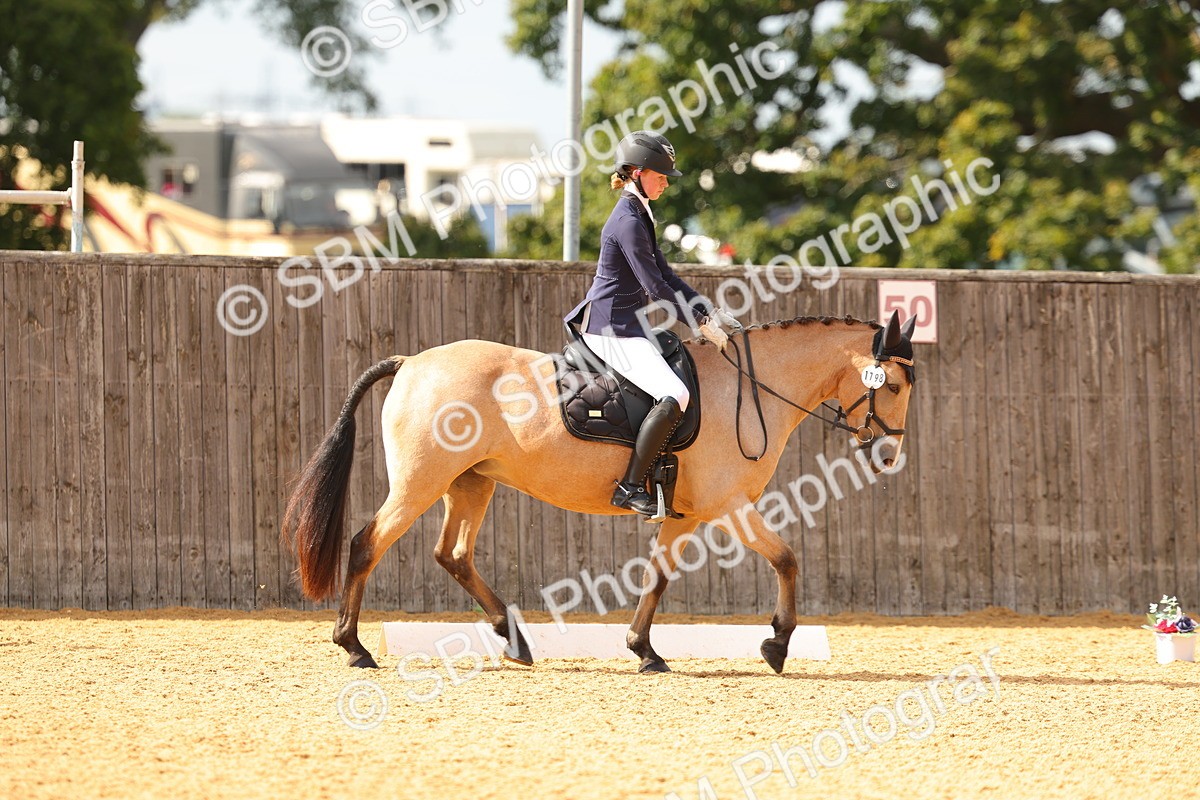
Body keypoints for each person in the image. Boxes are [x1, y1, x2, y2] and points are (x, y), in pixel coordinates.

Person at [564, 130, 736, 518]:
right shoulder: (627, 220)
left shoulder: (639, 212)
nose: (664, 182)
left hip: (627, 326)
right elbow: (654, 286)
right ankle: (628, 488)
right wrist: (697, 323)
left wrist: (706, 310)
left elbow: (668, 275)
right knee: (676, 394)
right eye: (660, 175)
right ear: (637, 172)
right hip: (610, 328)